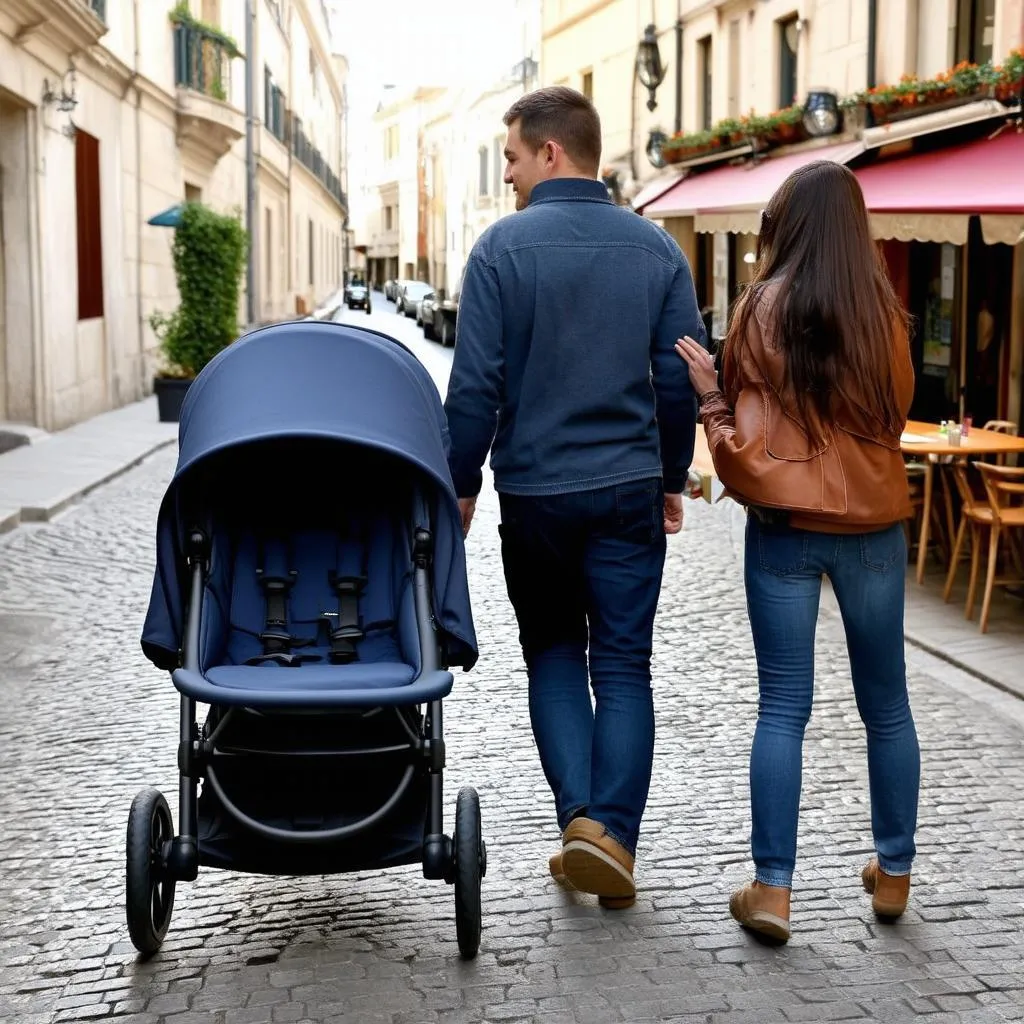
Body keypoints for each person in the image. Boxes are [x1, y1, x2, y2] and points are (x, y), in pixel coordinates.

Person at [443, 85, 705, 908]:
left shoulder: (498, 252)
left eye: (514, 158)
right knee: (625, 665)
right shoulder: (658, 252)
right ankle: (612, 840)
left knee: (556, 656)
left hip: (538, 495)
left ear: (551, 152)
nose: (510, 175)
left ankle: (585, 826)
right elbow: (677, 383)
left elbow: (475, 386)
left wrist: (460, 484)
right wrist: (668, 477)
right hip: (628, 488)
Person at [676, 161, 920, 943]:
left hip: (785, 526)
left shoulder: (760, 308)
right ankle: (893, 875)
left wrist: (709, 393)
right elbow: (897, 411)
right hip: (873, 528)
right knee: (887, 705)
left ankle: (773, 891)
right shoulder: (881, 312)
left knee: (783, 706)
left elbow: (739, 413)